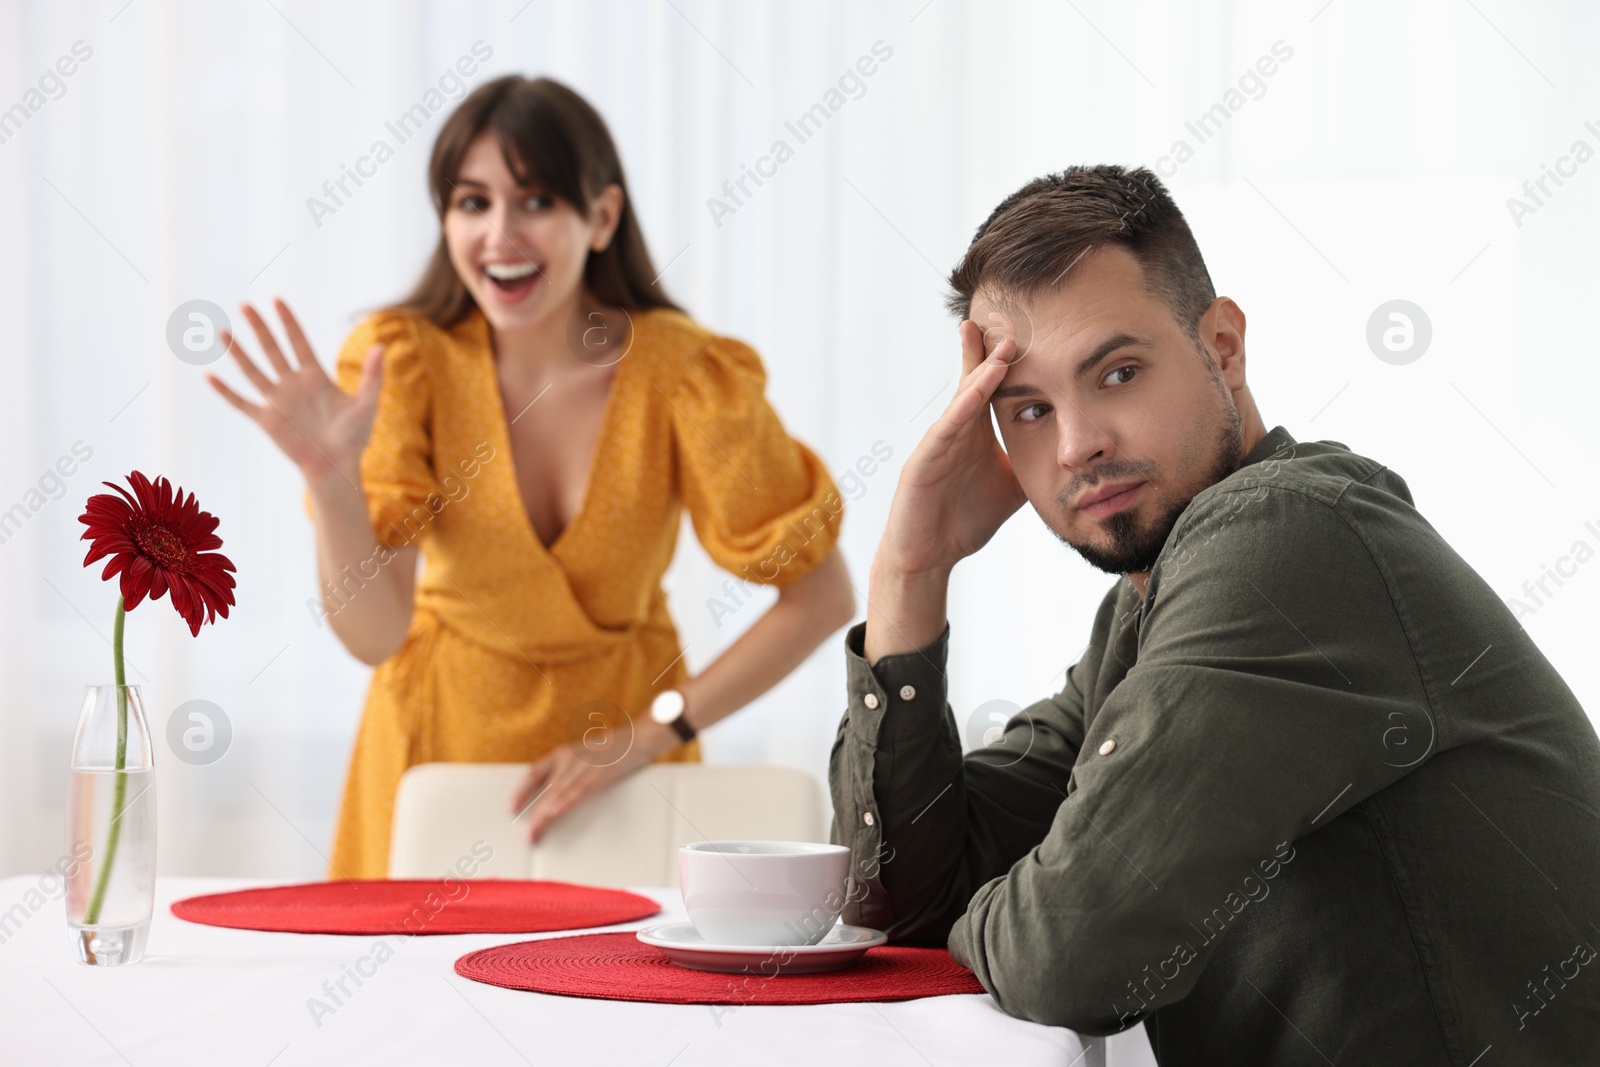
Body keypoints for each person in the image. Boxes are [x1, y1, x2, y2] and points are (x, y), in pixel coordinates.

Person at [829, 164, 1600, 1063]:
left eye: (1117, 372)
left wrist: (996, 903)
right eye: (1030, 408)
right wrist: (910, 572)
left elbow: (1067, 953)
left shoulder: (1286, 541)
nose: (1077, 443)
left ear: (1223, 347)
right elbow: (890, 893)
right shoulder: (1145, 610)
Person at [210, 76, 855, 880]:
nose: (500, 234)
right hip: (432, 751)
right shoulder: (402, 362)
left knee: (628, 994)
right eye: (471, 203)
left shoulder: (687, 374)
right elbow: (375, 633)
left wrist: (649, 732)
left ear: (602, 218)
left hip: (625, 771)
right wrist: (333, 481)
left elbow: (823, 596)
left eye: (538, 200)